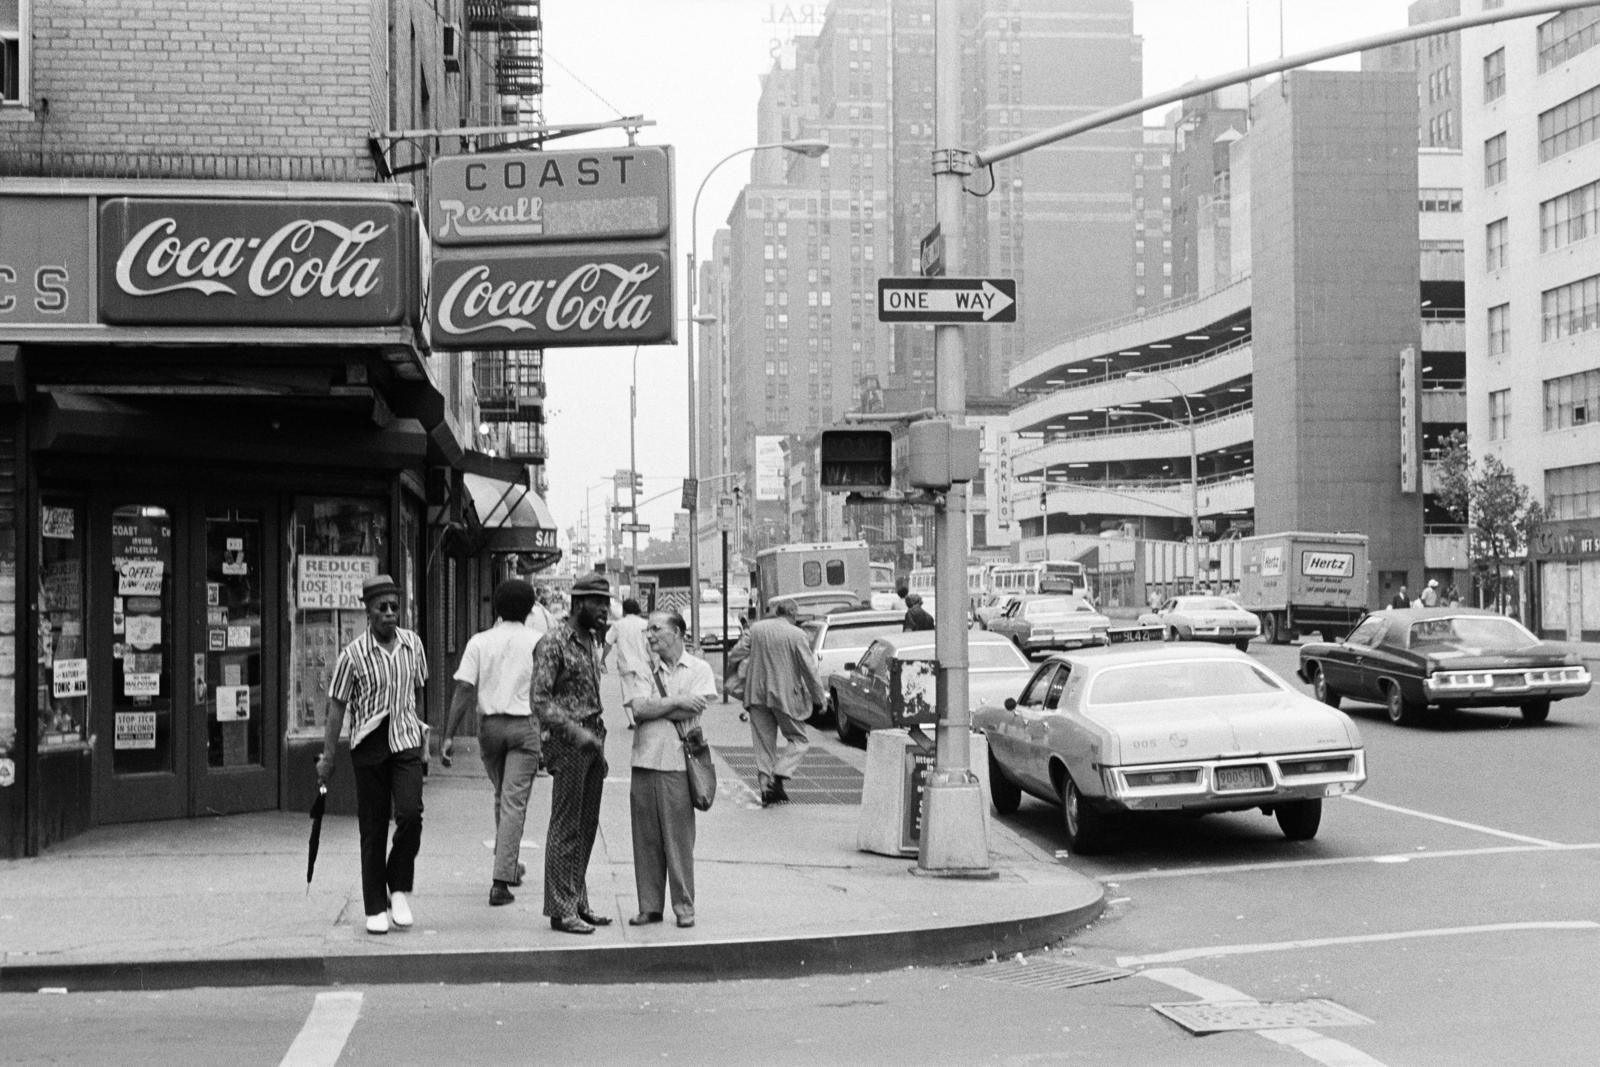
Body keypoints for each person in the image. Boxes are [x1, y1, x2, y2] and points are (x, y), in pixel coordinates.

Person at [316, 574, 429, 936]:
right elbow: (336, 707)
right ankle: (375, 906)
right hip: (369, 744)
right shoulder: (352, 655)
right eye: (382, 608)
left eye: (395, 607)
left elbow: (419, 690)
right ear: (368, 612)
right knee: (374, 827)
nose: (391, 614)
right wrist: (327, 757)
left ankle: (397, 886)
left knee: (410, 815)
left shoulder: (413, 644)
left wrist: (425, 732)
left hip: (406, 739)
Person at [441, 578, 541, 907]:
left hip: (490, 728)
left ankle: (508, 865)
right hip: (525, 727)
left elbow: (464, 690)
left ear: (495, 607)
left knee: (502, 796)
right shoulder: (540, 641)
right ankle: (500, 882)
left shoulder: (479, 642)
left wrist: (449, 734)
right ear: (530, 609)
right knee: (513, 801)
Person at [531, 571, 615, 934]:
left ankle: (577, 900)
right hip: (569, 744)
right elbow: (539, 700)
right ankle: (560, 908)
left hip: (593, 740)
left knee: (586, 826)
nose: (604, 610)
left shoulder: (592, 642)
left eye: (607, 603)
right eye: (598, 603)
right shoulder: (553, 643)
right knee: (566, 827)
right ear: (579, 603)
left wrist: (592, 736)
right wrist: (574, 731)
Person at [625, 609, 717, 929]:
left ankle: (684, 907)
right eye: (648, 631)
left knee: (678, 841)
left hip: (678, 762)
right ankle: (649, 906)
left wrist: (659, 706)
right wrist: (678, 702)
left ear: (677, 632)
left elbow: (696, 709)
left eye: (656, 629)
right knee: (645, 839)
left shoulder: (699, 668)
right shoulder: (641, 668)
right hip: (645, 761)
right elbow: (639, 709)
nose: (650, 636)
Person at [737, 599, 825, 806]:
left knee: (763, 744)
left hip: (756, 695)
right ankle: (780, 773)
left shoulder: (756, 629)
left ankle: (765, 788)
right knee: (799, 739)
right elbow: (809, 670)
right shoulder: (797, 634)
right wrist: (819, 698)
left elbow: (737, 653)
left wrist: (740, 680)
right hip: (786, 696)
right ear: (793, 614)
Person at [605, 598, 652, 726]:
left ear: (624, 610)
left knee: (628, 693)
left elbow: (608, 643)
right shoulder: (645, 624)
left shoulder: (618, 625)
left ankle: (633, 721)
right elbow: (651, 645)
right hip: (643, 664)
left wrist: (602, 659)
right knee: (644, 691)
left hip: (625, 665)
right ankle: (644, 716)